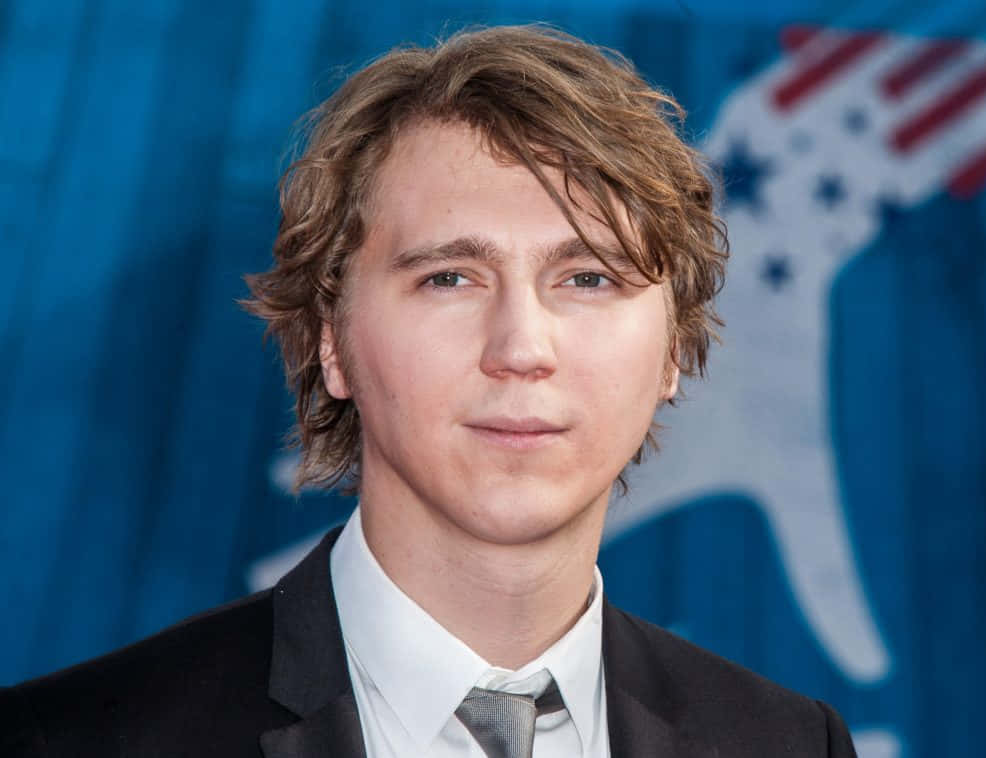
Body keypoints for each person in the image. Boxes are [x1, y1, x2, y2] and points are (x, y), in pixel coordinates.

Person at [0, 25, 856, 758]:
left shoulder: (787, 742)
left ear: (673, 349)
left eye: (589, 278)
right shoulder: (68, 740)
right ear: (331, 341)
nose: (522, 347)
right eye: (450, 277)